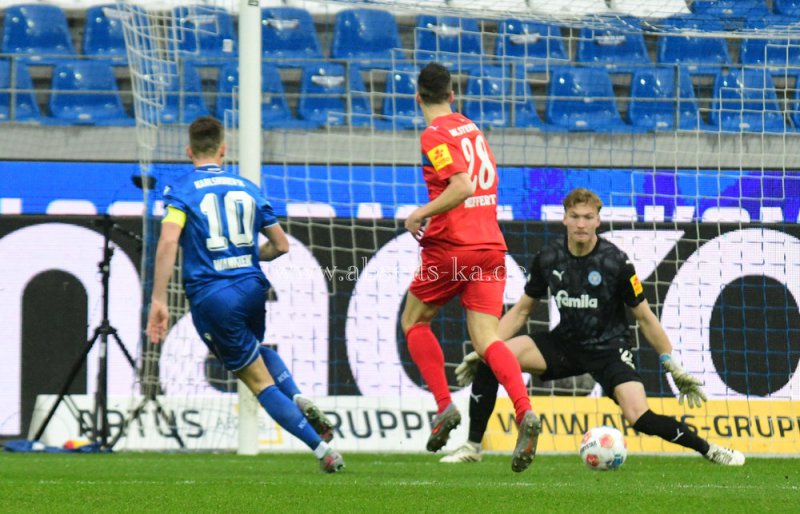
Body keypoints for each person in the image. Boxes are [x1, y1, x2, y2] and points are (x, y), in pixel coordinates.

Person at [441, 187, 745, 466]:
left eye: (588, 217)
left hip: (610, 349)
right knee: (491, 362)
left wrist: (669, 362)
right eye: (575, 217)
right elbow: (521, 311)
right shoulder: (548, 258)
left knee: (640, 417)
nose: (581, 224)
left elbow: (645, 317)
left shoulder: (616, 263)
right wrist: (490, 345)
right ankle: (472, 446)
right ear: (564, 219)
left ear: (598, 220)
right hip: (565, 345)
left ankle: (710, 449)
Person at [145, 116, 344, 473]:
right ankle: (296, 395)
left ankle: (321, 450)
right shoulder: (247, 187)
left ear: (189, 151)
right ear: (223, 150)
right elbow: (281, 245)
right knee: (258, 353)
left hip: (213, 296)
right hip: (253, 287)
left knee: (257, 382)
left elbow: (169, 240)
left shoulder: (181, 192)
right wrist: (248, 256)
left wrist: (158, 299)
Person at [401, 62, 540, 473]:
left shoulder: (434, 134)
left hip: (453, 247)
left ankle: (445, 407)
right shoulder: (470, 127)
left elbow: (462, 185)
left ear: (417, 97)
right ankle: (523, 411)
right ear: (453, 95)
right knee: (486, 339)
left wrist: (419, 214)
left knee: (414, 321)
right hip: (491, 246)